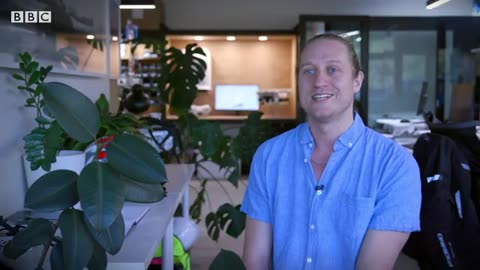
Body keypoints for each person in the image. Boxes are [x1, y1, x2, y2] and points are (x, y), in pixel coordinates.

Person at [241, 33, 422, 270]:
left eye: (333, 69)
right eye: (309, 70)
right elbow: (256, 261)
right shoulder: (269, 156)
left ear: (357, 81)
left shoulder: (395, 165)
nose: (319, 81)